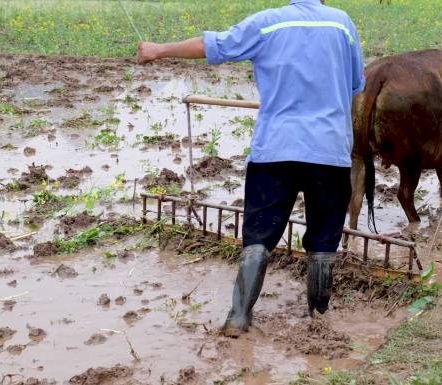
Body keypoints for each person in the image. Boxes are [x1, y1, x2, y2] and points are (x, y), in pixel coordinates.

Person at [137, 0, 365, 335]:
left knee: (259, 236)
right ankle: (318, 318)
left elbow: (213, 45)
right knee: (323, 239)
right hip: (328, 150)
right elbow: (356, 84)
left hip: (275, 149)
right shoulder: (342, 25)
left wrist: (158, 49)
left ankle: (239, 317)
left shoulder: (267, 23)